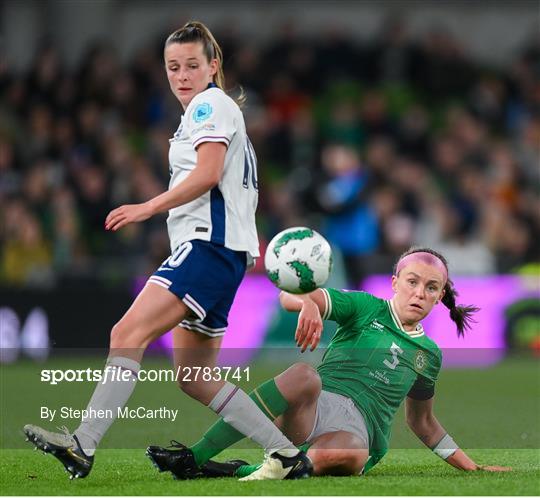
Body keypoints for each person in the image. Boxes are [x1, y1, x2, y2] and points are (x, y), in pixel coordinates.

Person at [23, 21, 312, 481]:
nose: (181, 75)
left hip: (208, 249)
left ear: (213, 66)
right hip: (224, 255)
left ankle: (83, 445)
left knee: (126, 334)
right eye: (173, 67)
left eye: (192, 65)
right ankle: (286, 452)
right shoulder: (208, 111)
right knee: (193, 376)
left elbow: (209, 173)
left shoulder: (208, 105)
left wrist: (147, 207)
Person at [147, 247, 511, 479]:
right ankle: (196, 456)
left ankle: (245, 470)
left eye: (431, 287)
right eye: (412, 282)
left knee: (352, 452)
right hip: (311, 410)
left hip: (359, 432)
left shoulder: (429, 355)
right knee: (305, 375)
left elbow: (423, 422)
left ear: (440, 296)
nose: (419, 293)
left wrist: (470, 465)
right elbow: (291, 296)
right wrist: (307, 303)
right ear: (395, 282)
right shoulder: (366, 307)